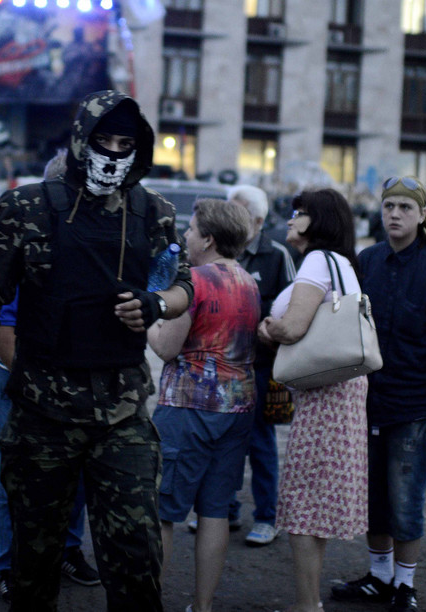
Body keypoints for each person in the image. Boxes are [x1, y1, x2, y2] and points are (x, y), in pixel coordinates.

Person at [0, 90, 191, 612]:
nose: (112, 153)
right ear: (80, 141)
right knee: (33, 571)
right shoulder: (29, 208)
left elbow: (183, 287)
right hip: (42, 412)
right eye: (102, 140)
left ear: (140, 148)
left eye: (124, 143)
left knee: (136, 563)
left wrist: (155, 304)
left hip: (122, 411)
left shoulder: (155, 214)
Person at [332, 176, 426, 612]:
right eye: (389, 206)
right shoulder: (367, 260)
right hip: (367, 401)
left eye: (406, 207)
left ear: (423, 216)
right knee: (372, 497)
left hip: (413, 405)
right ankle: (379, 577)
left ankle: (405, 585)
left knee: (404, 497)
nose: (395, 214)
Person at [0, 154, 100, 603]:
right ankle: (12, 563)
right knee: (17, 474)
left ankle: (67, 548)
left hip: (73, 379)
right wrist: (42, 386)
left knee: (79, 471)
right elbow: (3, 329)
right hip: (20, 375)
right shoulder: (24, 234)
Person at [258, 188, 369, 612]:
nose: (289, 219)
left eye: (298, 213)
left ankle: (307, 605)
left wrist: (268, 326)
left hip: (324, 394)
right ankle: (309, 602)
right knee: (317, 499)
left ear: (317, 221)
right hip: (341, 390)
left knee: (303, 502)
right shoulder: (342, 263)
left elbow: (293, 329)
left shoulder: (318, 261)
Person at [147, 198, 260, 612]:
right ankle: (203, 605)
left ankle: (150, 602)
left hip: (187, 406)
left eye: (192, 230)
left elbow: (166, 347)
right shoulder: (249, 282)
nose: (186, 236)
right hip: (237, 408)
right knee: (214, 511)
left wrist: (149, 317)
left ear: (209, 238)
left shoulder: (193, 281)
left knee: (163, 510)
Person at [221, 184, 296, 547]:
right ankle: (227, 508)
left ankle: (268, 517)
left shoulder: (277, 255)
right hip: (225, 365)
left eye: (237, 213)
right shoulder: (223, 250)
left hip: (263, 367)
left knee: (261, 442)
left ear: (258, 220)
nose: (230, 219)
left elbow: (295, 309)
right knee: (224, 439)